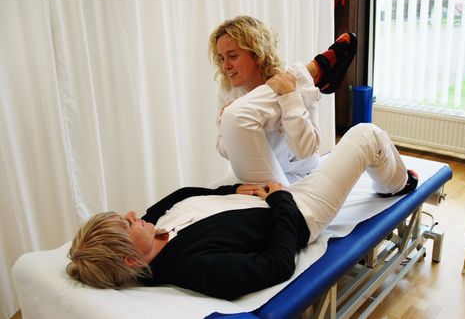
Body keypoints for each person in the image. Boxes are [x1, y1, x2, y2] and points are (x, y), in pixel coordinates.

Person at [66, 122, 419, 300]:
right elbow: (276, 266)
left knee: (241, 125)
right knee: (366, 135)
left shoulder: (153, 225)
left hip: (261, 195)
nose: (132, 213)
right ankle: (397, 184)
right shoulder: (191, 266)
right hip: (299, 209)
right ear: (131, 261)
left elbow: (185, 193)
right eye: (127, 224)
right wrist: (280, 200)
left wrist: (233, 189)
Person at [208, 16, 357, 184]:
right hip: (256, 170)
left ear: (257, 54)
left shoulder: (291, 84)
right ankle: (315, 69)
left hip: (299, 174)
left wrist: (290, 98)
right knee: (207, 195)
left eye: (233, 56)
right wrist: (231, 126)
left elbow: (306, 150)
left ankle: (316, 70)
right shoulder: (228, 91)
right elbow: (222, 148)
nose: (225, 66)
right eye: (221, 58)